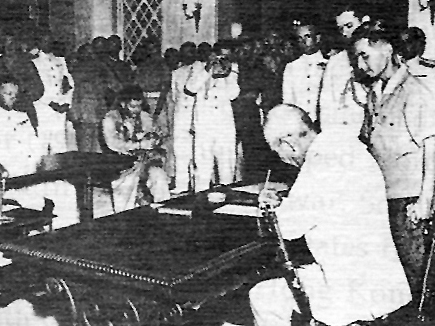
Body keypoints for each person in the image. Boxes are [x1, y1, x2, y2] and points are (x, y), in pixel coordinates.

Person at [250, 104, 411, 326]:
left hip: (353, 292)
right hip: (381, 282)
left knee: (263, 296)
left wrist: (270, 207)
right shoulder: (347, 148)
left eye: (280, 153)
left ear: (288, 144)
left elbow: (287, 228)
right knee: (284, 285)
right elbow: (327, 203)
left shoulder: (319, 164)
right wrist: (286, 203)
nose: (285, 160)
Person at [350, 20, 435, 303]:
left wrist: (424, 201)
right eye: (357, 58)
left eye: (365, 55)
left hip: (408, 200)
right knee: (389, 275)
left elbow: (431, 146)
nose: (361, 64)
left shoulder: (415, 91)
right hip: (382, 196)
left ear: (386, 49)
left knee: (414, 277)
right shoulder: (376, 93)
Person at [0, 75, 79, 229]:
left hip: (33, 174)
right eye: (8, 94)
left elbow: (36, 147)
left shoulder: (22, 116)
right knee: (33, 202)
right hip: (9, 181)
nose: (13, 98)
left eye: (15, 95)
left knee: (67, 190)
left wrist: (42, 168)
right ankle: (34, 241)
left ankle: (62, 238)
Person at [102, 85, 170, 212]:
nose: (136, 110)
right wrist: (139, 145)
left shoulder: (144, 116)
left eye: (139, 106)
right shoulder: (110, 118)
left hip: (145, 161)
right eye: (132, 106)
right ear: (123, 104)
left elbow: (158, 134)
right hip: (122, 164)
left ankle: (164, 212)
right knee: (126, 192)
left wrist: (155, 139)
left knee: (159, 176)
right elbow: (113, 144)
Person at [185, 40, 240, 192]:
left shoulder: (233, 69)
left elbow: (233, 94)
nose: (222, 61)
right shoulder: (199, 68)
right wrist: (208, 70)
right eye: (220, 57)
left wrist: (227, 73)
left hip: (224, 128)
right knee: (202, 171)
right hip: (204, 127)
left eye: (227, 57)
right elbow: (190, 88)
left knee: (227, 169)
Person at [318, 3, 370, 136]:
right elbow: (327, 106)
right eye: (341, 29)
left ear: (364, 22)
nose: (345, 33)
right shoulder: (335, 63)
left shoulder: (379, 58)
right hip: (343, 137)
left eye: (349, 26)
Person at [31, 34, 74, 154]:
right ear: (38, 42)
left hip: (60, 108)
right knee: (42, 144)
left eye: (49, 40)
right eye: (44, 40)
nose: (47, 43)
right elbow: (34, 86)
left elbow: (69, 82)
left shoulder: (60, 60)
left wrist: (66, 102)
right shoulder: (34, 62)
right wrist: (49, 102)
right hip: (43, 108)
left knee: (60, 144)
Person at [282, 22, 327, 123]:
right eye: (299, 38)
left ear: (318, 38)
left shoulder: (329, 63)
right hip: (301, 123)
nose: (303, 41)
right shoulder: (291, 67)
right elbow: (288, 101)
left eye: (308, 37)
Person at [171, 42, 198, 193]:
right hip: (181, 116)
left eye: (191, 52)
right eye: (185, 52)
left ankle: (197, 185)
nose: (188, 55)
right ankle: (181, 184)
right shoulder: (176, 72)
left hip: (196, 115)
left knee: (197, 152)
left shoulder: (200, 69)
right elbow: (176, 97)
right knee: (180, 150)